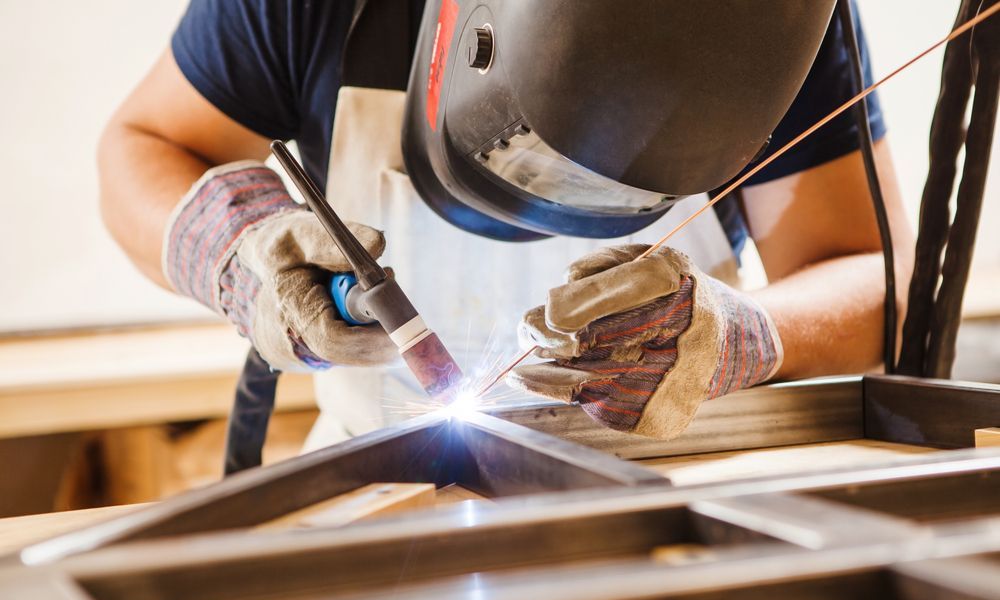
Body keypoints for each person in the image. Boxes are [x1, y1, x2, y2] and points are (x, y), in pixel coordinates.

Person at [99, 1, 913, 445]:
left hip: (671, 484)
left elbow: (878, 279)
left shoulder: (770, 21)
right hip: (379, 492)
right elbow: (142, 146)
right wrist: (239, 250)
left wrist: (738, 333)